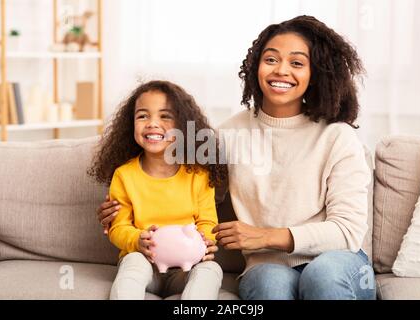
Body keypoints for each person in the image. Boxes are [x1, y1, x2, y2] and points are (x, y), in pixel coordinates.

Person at [96, 15, 376, 300]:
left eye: (296, 63)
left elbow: (348, 230)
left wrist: (265, 236)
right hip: (266, 264)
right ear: (256, 67)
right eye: (271, 59)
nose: (281, 71)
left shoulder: (337, 137)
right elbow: (181, 184)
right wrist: (120, 208)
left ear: (315, 74)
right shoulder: (226, 136)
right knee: (269, 286)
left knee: (322, 275)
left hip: (337, 260)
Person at [88, 80, 226, 300]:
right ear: (130, 123)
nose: (152, 123)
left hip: (186, 267)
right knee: (132, 261)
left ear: (183, 125)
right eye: (143, 116)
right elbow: (118, 226)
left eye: (165, 116)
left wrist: (204, 241)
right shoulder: (124, 175)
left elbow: (208, 222)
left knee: (211, 269)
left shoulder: (198, 174)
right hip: (145, 263)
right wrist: (137, 240)